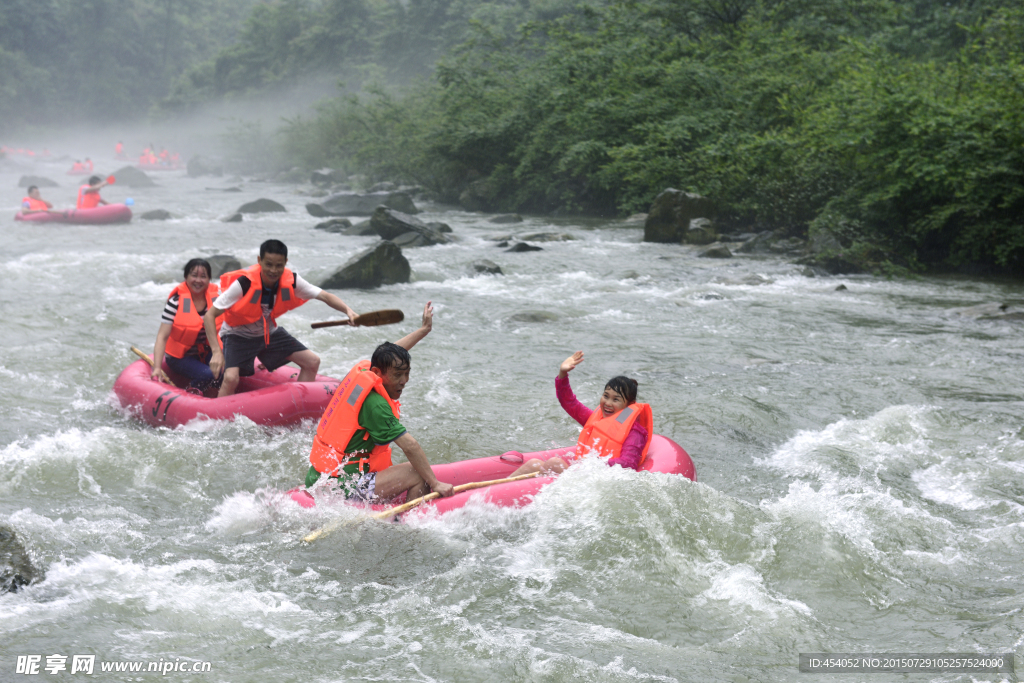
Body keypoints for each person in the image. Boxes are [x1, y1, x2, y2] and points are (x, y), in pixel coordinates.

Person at [305, 303, 455, 503]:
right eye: (398, 375)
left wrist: (423, 330)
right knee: (417, 474)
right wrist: (435, 484)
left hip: (323, 478)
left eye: (407, 373)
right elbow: (410, 446)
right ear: (378, 373)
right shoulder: (375, 405)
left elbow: (392, 354)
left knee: (412, 469)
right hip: (340, 490)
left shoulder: (367, 372)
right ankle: (408, 524)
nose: (404, 381)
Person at [203, 239, 358, 397]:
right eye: (268, 264)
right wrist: (216, 352)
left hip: (268, 334)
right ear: (259, 261)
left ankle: (299, 406)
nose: (273, 271)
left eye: (279, 265)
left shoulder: (292, 281)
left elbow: (324, 296)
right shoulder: (244, 283)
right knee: (230, 378)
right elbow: (209, 316)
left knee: (312, 362)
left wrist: (349, 311)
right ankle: (219, 417)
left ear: (286, 263)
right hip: (238, 335)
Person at [510, 351, 653, 477]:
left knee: (555, 463)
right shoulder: (596, 420)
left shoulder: (635, 432)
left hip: (597, 480)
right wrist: (563, 374)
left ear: (630, 404)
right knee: (534, 463)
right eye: (606, 396)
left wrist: (593, 464)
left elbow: (629, 464)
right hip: (582, 474)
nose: (608, 403)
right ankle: (495, 490)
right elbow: (570, 403)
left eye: (616, 399)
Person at [151, 258, 222, 392]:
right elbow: (162, 337)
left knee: (222, 371)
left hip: (205, 351)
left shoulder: (216, 301)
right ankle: (191, 394)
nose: (198, 280)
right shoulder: (175, 302)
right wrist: (157, 368)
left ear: (209, 279)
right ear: (186, 277)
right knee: (207, 374)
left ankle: (213, 399)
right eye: (194, 275)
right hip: (179, 357)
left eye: (203, 276)